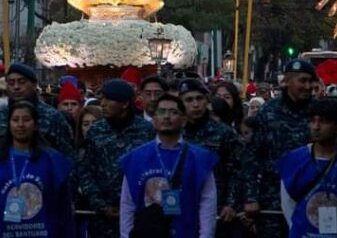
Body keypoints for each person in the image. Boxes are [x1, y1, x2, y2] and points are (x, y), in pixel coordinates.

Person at [0, 101, 76, 238]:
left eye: (26, 120)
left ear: (35, 125)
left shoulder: (53, 161)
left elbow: (64, 207)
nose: (20, 125)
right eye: (15, 120)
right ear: (8, 124)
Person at [119, 93, 218, 238]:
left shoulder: (200, 158)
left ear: (183, 120)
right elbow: (127, 204)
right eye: (161, 112)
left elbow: (207, 203)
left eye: (173, 112)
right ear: (153, 120)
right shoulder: (135, 158)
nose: (166, 117)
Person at [238, 59, 316, 236]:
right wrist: (251, 197)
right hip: (273, 199)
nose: (308, 86)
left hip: (310, 197)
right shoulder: (269, 112)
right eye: (302, 81)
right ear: (287, 81)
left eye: (311, 81)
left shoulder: (318, 112)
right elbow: (252, 156)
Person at [277, 99, 337, 238]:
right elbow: (288, 204)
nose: (316, 126)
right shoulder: (294, 160)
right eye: (313, 121)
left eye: (323, 121)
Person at [77, 79, 154, 238]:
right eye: (102, 98)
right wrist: (101, 205)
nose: (102, 104)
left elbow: (154, 172)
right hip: (102, 217)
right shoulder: (96, 131)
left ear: (124, 104)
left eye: (108, 99)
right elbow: (85, 172)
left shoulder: (147, 131)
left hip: (139, 214)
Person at [177, 80, 240, 231]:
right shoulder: (175, 132)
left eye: (199, 98)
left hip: (215, 207)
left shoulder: (223, 133)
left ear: (207, 101)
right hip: (180, 205)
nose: (195, 104)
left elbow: (235, 171)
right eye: (189, 100)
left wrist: (231, 204)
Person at [0, 64, 75, 159]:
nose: (16, 87)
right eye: (11, 83)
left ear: (34, 84)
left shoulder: (53, 117)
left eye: (21, 82)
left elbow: (67, 157)